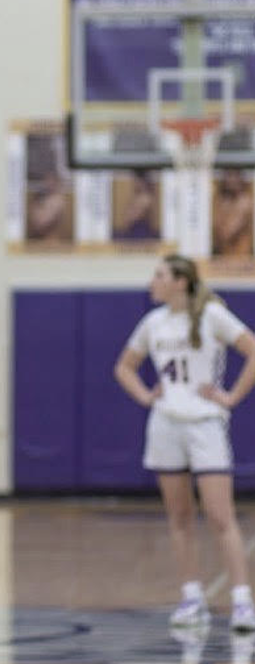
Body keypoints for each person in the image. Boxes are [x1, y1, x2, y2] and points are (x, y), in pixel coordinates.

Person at [114, 255, 255, 631]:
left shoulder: (213, 316)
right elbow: (123, 366)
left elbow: (252, 350)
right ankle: (191, 598)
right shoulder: (153, 322)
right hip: (166, 425)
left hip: (205, 425)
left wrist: (231, 397)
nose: (152, 281)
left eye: (159, 275)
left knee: (220, 516)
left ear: (180, 281)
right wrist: (146, 396)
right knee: (179, 517)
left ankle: (243, 601)